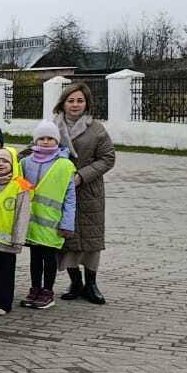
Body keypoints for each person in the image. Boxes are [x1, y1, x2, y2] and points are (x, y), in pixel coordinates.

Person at [54, 82, 116, 304]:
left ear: (87, 103)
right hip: (61, 191)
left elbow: (108, 158)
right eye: (71, 100)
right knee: (66, 237)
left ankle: (91, 284)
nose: (75, 104)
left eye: (80, 100)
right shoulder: (53, 127)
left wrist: (82, 175)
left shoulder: (96, 128)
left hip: (89, 190)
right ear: (63, 103)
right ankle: (75, 282)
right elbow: (37, 148)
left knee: (90, 239)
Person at [19, 121, 76, 310]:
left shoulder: (65, 165)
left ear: (57, 141)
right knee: (35, 257)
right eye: (41, 138)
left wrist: (67, 224)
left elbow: (70, 198)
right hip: (32, 221)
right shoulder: (26, 162)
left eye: (50, 138)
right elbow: (19, 186)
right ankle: (35, 288)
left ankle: (47, 291)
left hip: (53, 223)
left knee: (49, 258)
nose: (45, 142)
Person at [0, 149, 33, 316]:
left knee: (5, 274)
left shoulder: (21, 185)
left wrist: (18, 238)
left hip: (7, 242)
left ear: (13, 164)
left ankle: (3, 303)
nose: (0, 164)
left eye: (5, 161)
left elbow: (22, 214)